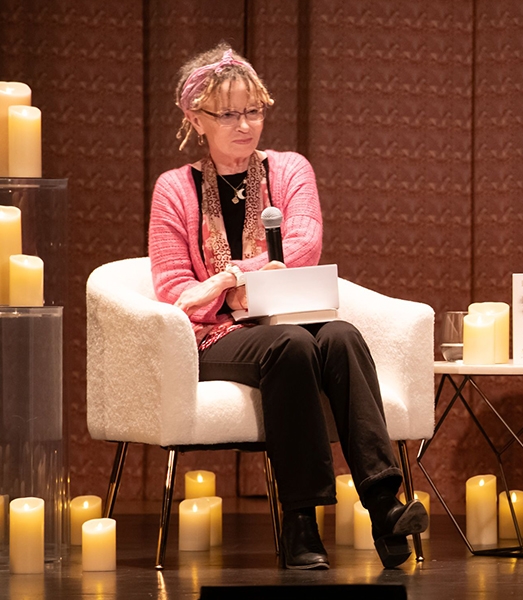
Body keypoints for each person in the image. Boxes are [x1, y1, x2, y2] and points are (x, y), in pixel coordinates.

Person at [148, 44, 427, 570]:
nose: (244, 125)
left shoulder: (290, 169)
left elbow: (303, 245)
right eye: (227, 114)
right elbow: (175, 290)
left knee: (341, 336)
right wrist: (233, 292)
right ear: (196, 119)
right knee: (291, 346)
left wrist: (229, 278)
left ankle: (384, 506)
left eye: (253, 110)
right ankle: (301, 520)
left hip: (291, 315)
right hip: (218, 336)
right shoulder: (174, 189)